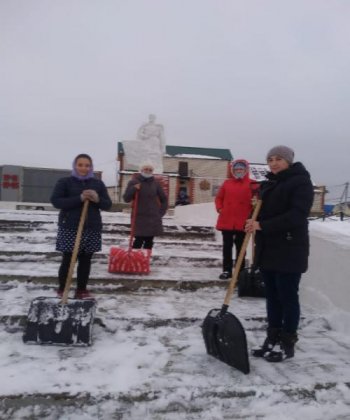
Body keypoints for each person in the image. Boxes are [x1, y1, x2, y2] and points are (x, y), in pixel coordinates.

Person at [245, 145, 314, 362]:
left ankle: (287, 342)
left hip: (290, 248)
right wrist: (251, 219)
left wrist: (262, 226)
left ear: (289, 161)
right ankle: (272, 338)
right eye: (270, 159)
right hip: (268, 249)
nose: (274, 163)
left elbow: (297, 215)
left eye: (278, 159)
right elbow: (262, 211)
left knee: (287, 297)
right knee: (272, 298)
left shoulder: (301, 182)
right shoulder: (269, 183)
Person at [51, 153, 112, 299]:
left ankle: (81, 289)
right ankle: (62, 288)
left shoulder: (98, 184)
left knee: (86, 260)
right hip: (70, 226)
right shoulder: (65, 182)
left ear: (91, 167)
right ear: (75, 165)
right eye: (80, 165)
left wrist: (97, 199)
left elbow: (107, 204)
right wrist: (79, 198)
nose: (84, 168)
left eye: (87, 165)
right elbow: (56, 201)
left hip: (91, 227)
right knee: (68, 258)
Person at [215, 159, 257, 280]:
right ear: (232, 171)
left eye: (241, 169)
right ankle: (227, 270)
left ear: (246, 170)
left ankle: (240, 271)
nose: (239, 171)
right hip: (226, 221)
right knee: (227, 247)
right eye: (236, 169)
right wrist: (220, 209)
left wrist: (254, 209)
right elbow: (219, 198)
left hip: (243, 222)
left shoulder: (253, 184)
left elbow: (257, 202)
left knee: (241, 248)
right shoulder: (227, 183)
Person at [123, 161, 168, 250]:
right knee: (138, 241)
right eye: (146, 169)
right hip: (139, 217)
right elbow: (126, 198)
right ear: (141, 170)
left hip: (152, 217)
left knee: (149, 241)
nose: (148, 171)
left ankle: (145, 261)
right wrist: (134, 188)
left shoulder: (155, 183)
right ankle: (135, 261)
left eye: (150, 170)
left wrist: (161, 213)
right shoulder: (134, 182)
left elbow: (164, 199)